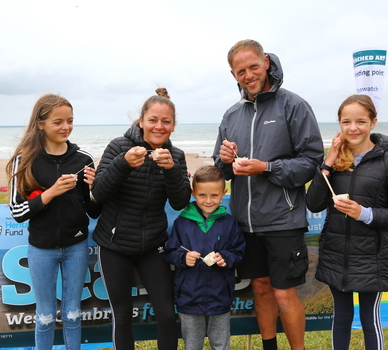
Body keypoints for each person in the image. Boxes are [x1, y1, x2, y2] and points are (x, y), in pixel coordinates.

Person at [213, 39, 324, 350]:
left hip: (283, 220)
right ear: (233, 75)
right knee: (260, 289)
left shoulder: (294, 105)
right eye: (240, 71)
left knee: (283, 293)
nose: (248, 75)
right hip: (244, 223)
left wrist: (266, 167)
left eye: (253, 66)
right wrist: (223, 161)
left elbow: (311, 162)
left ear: (266, 63)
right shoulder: (231, 115)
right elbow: (218, 171)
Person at [306, 94, 388, 350]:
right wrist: (329, 161)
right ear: (339, 124)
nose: (353, 128)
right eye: (346, 122)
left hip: (370, 256)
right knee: (341, 318)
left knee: (369, 319)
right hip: (336, 253)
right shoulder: (334, 161)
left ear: (373, 123)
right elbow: (313, 203)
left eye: (361, 121)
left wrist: (363, 213)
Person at [91, 88, 190, 350]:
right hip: (114, 244)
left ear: (173, 126)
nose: (159, 126)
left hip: (152, 245)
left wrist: (170, 170)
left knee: (168, 316)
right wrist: (123, 163)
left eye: (166, 121)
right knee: (122, 317)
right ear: (141, 121)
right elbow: (98, 193)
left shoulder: (176, 156)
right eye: (153, 120)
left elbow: (180, 202)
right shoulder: (119, 146)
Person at [6, 94, 101, 350]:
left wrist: (97, 189)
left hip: (77, 247)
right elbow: (17, 212)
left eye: (70, 121)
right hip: (41, 249)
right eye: (58, 122)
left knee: (72, 314)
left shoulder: (83, 158)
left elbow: (93, 211)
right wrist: (51, 193)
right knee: (45, 316)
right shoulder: (25, 159)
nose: (66, 127)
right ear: (40, 124)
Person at [165, 165, 246, 350]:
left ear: (224, 193)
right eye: (202, 195)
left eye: (214, 195)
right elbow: (170, 253)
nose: (208, 201)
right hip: (189, 297)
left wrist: (225, 257)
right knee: (192, 345)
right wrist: (183, 257)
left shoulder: (230, 223)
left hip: (220, 296)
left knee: (221, 344)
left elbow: (238, 252)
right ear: (193, 193)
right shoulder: (182, 222)